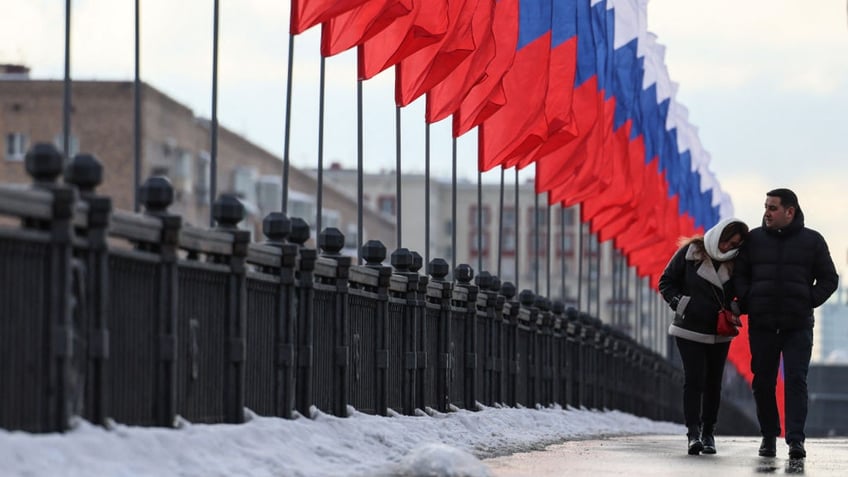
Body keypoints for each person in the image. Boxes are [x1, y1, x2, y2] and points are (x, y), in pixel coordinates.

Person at [733, 188, 838, 459]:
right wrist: (749, 299)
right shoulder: (753, 240)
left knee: (796, 382)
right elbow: (740, 276)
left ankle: (795, 441)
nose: (766, 213)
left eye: (773, 208)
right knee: (763, 383)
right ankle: (768, 437)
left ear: (789, 211)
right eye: (765, 206)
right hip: (763, 325)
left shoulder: (812, 241)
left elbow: (829, 279)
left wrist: (808, 300)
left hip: (797, 326)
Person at [659, 217, 750, 456]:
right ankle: (693, 434)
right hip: (689, 328)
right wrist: (683, 304)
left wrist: (736, 307)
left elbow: (744, 292)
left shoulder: (737, 262)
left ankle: (709, 433)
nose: (728, 248)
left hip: (719, 332)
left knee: (713, 383)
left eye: (734, 245)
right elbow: (666, 282)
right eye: (727, 242)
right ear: (718, 235)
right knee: (694, 380)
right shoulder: (690, 252)